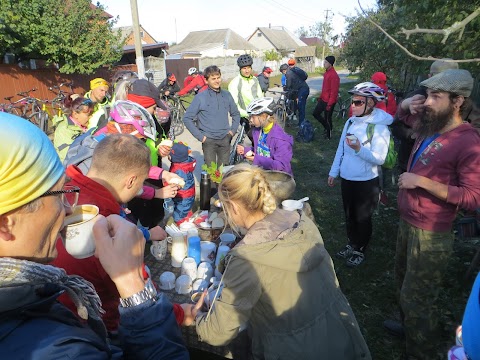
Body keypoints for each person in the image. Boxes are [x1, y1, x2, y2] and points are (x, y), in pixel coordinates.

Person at [0, 114, 189, 359]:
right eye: (58, 195)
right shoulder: (61, 350)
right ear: (5, 223)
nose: (69, 208)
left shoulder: (29, 301)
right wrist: (134, 287)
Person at [183, 164, 372, 359]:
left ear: (234, 207)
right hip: (339, 335)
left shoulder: (248, 257)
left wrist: (193, 317)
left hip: (293, 349)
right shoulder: (302, 219)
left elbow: (218, 332)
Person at [383, 69, 480, 359]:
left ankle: (420, 350)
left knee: (419, 300)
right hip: (408, 222)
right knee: (402, 284)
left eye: (436, 97)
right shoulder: (432, 126)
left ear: (458, 101)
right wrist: (404, 105)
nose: (427, 102)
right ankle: (406, 327)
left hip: (432, 234)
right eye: (427, 95)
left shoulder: (468, 142)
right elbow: (396, 119)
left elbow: (474, 197)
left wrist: (421, 181)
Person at [52, 134, 186, 337]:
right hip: (95, 324)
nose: (140, 189)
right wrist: (181, 314)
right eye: (141, 183)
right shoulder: (105, 224)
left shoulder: (64, 190)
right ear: (131, 181)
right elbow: (135, 289)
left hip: (55, 308)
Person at [328, 82, 393, 267]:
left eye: (357, 102)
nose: (352, 106)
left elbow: (379, 159)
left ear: (370, 104)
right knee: (349, 214)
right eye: (352, 102)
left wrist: (359, 149)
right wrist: (334, 171)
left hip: (366, 181)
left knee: (362, 216)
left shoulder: (380, 127)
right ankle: (352, 242)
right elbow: (340, 148)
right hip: (347, 178)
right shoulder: (350, 121)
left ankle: (360, 248)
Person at [392, 59, 459, 172]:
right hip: (410, 163)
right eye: (438, 78)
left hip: (442, 171)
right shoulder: (416, 97)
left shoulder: (464, 103)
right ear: (429, 76)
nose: (428, 102)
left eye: (447, 79)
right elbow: (396, 125)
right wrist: (413, 135)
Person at [183, 65, 241, 167]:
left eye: (218, 78)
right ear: (206, 80)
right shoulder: (200, 98)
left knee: (224, 171)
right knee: (211, 173)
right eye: (213, 79)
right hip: (209, 141)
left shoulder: (227, 95)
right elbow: (187, 118)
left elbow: (236, 114)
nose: (217, 81)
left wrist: (232, 132)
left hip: (225, 139)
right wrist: (201, 137)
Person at [236, 97, 293, 175]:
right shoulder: (258, 131)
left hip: (278, 179)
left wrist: (256, 159)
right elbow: (261, 150)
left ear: (263, 116)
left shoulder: (280, 139)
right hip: (263, 174)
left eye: (253, 117)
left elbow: (280, 166)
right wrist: (246, 150)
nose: (250, 120)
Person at [53, 95, 94, 161]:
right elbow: (70, 157)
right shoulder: (64, 130)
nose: (91, 116)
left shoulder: (81, 126)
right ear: (75, 114)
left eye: (92, 113)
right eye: (88, 114)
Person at [228, 54, 263, 121]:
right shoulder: (235, 83)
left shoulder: (255, 80)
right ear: (240, 69)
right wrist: (247, 114)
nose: (247, 71)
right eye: (244, 68)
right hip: (244, 118)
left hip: (258, 116)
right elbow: (233, 105)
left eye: (249, 67)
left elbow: (260, 97)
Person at [168, 142, 196, 225]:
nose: (168, 156)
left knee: (179, 214)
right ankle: (188, 217)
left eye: (169, 155)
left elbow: (176, 184)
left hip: (184, 196)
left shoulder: (179, 170)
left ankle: (181, 226)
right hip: (187, 194)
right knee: (185, 210)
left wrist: (166, 183)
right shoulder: (184, 163)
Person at [313, 55, 340, 139]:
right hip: (323, 99)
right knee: (315, 113)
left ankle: (328, 135)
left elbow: (334, 92)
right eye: (324, 62)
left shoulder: (334, 75)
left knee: (327, 118)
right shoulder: (326, 73)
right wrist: (320, 97)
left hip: (329, 101)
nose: (324, 64)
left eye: (326, 62)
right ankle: (327, 128)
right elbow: (325, 88)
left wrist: (330, 104)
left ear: (330, 64)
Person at [282, 58, 310, 126]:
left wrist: (286, 89)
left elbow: (288, 85)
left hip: (303, 90)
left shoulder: (288, 73)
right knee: (300, 106)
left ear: (284, 70)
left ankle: (302, 125)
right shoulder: (293, 71)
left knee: (301, 106)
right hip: (303, 89)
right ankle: (301, 123)